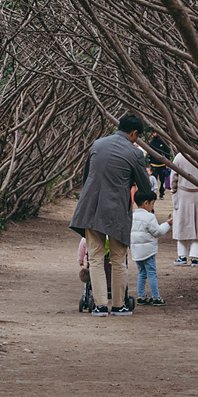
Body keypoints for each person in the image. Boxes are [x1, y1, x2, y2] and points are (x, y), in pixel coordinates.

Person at [70, 112, 154, 315]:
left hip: (91, 207)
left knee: (96, 258)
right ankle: (118, 305)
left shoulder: (97, 144)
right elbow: (144, 186)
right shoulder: (135, 154)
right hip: (116, 211)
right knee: (117, 259)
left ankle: (99, 306)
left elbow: (86, 175)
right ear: (134, 133)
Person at [171, 149, 198, 265]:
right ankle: (195, 257)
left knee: (181, 224)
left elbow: (173, 178)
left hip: (183, 195)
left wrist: (174, 192)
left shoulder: (180, 156)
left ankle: (182, 256)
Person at [131, 193, 170, 305]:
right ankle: (156, 297)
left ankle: (141, 296)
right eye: (153, 203)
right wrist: (167, 224)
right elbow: (158, 231)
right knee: (152, 273)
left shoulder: (132, 216)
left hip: (136, 250)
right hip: (148, 251)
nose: (153, 206)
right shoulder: (149, 217)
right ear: (146, 203)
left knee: (142, 273)